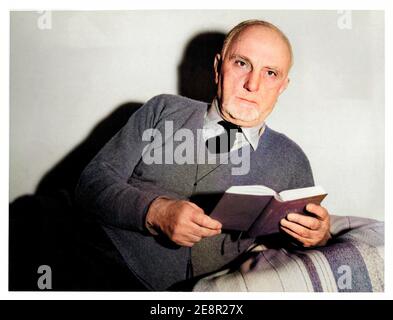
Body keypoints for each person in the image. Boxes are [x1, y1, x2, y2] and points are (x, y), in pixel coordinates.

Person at [75, 19, 331, 291]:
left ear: (282, 86)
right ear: (218, 67)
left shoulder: (292, 160)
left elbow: (298, 240)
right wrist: (155, 212)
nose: (252, 84)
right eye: (241, 63)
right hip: (103, 263)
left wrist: (319, 235)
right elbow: (90, 185)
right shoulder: (163, 110)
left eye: (270, 73)